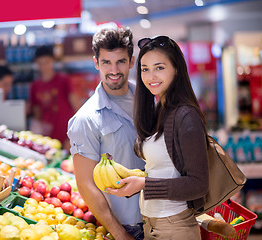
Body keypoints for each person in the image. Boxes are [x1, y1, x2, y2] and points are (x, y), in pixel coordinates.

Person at [106, 36, 209, 240]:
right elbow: (162, 169)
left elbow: (198, 184)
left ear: (176, 69)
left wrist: (144, 184)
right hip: (152, 224)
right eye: (145, 69)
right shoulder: (158, 110)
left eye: (159, 67)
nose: (150, 76)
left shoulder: (186, 116)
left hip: (175, 226)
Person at [67, 27, 145, 240]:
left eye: (120, 61)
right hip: (130, 225)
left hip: (164, 214)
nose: (114, 70)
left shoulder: (149, 97)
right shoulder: (86, 119)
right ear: (96, 63)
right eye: (106, 62)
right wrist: (120, 235)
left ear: (131, 61)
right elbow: (85, 185)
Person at [28, 45, 80, 149]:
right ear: (36, 64)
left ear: (52, 61)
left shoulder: (64, 80)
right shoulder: (35, 86)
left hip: (66, 134)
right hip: (46, 140)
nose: (44, 67)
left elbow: (77, 107)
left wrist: (74, 135)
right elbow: (37, 112)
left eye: (46, 62)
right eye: (40, 63)